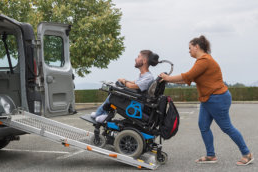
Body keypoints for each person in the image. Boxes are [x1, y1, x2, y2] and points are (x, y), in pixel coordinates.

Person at [159, 35, 253, 166]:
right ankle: (211, 155)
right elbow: (188, 79)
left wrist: (168, 78)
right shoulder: (201, 61)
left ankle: (247, 154)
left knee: (226, 127)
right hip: (207, 99)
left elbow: (188, 76)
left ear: (197, 47)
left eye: (190, 48)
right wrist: (166, 79)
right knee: (203, 126)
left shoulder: (204, 60)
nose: (189, 51)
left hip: (217, 98)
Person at [91, 50, 159, 123]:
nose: (135, 59)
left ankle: (101, 114)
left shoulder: (148, 77)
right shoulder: (144, 75)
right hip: (136, 101)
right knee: (114, 93)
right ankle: (103, 114)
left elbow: (132, 86)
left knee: (113, 96)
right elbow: (132, 82)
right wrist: (123, 80)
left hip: (137, 104)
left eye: (138, 57)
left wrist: (124, 81)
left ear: (144, 61)